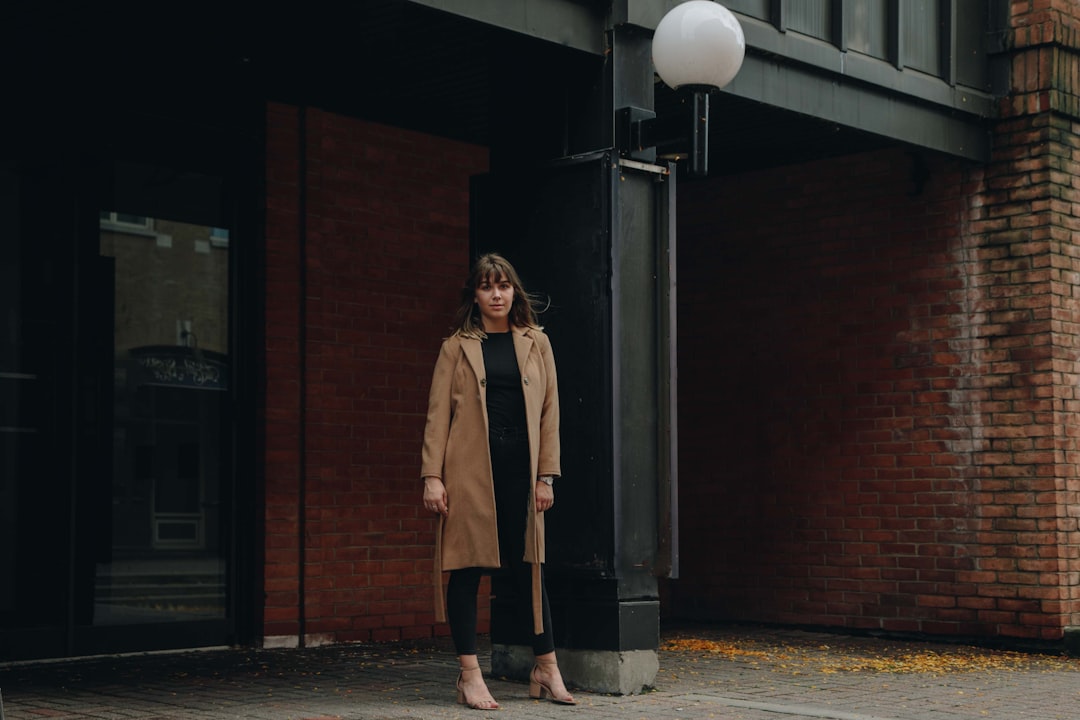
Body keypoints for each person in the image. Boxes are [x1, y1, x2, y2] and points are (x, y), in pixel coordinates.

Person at [420, 252, 576, 710]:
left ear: (514, 291)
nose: (496, 294)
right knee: (467, 568)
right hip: (468, 472)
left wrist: (547, 475)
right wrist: (432, 476)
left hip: (522, 471)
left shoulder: (536, 342)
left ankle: (546, 667)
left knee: (531, 568)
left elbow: (551, 412)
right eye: (487, 286)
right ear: (475, 294)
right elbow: (437, 416)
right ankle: (469, 674)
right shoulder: (455, 347)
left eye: (503, 285)